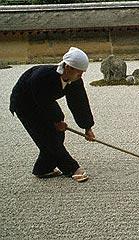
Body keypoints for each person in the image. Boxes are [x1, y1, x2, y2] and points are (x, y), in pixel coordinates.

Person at [10, 47, 95, 183]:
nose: (81, 76)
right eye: (79, 72)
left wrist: (87, 127)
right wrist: (57, 120)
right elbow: (44, 102)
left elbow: (79, 102)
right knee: (47, 137)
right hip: (24, 104)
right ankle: (72, 168)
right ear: (68, 67)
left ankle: (43, 169)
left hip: (42, 103)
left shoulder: (75, 80)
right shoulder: (42, 77)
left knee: (57, 134)